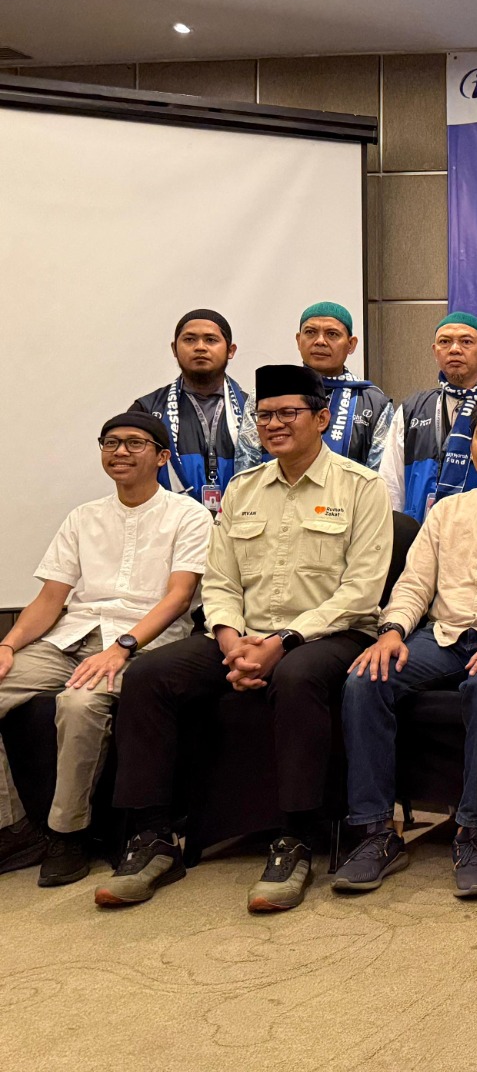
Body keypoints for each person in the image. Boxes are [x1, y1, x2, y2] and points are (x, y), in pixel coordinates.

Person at [96, 365, 392, 913]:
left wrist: (283, 640)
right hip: (244, 634)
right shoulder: (243, 487)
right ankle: (153, 834)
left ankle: (296, 838)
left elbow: (361, 590)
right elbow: (220, 580)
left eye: (288, 413)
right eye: (264, 415)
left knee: (297, 675)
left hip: (331, 634)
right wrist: (230, 638)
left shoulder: (361, 487)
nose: (274, 424)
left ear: (321, 419)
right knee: (150, 674)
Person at [335, 393, 477, 899]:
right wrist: (392, 632)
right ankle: (376, 832)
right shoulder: (445, 512)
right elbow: (415, 584)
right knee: (364, 678)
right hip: (441, 636)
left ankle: (473, 833)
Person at [0, 414, 210, 888]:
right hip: (70, 638)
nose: (120, 452)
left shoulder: (189, 515)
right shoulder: (83, 517)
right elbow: (50, 599)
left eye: (134, 443)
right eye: (111, 443)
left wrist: (122, 647)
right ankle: (13, 828)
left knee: (79, 705)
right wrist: (8, 644)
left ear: (161, 456)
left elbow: (179, 598)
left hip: (144, 642)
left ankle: (67, 834)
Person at [237, 302, 406, 510]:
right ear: (298, 340)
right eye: (310, 332)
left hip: (345, 514)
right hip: (273, 509)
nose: (320, 341)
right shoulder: (267, 395)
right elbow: (246, 469)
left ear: (351, 344)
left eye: (332, 334)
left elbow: (380, 477)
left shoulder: (373, 402)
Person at [130, 308, 248, 512]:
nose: (200, 347)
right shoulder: (148, 410)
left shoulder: (254, 409)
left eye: (211, 340)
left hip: (242, 520)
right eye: (190, 339)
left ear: (231, 350)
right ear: (174, 349)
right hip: (168, 523)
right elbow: (132, 472)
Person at [399, 311, 477, 521]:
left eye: (466, 342)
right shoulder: (413, 408)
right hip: (421, 529)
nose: (454, 349)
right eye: (445, 342)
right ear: (435, 352)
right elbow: (392, 480)